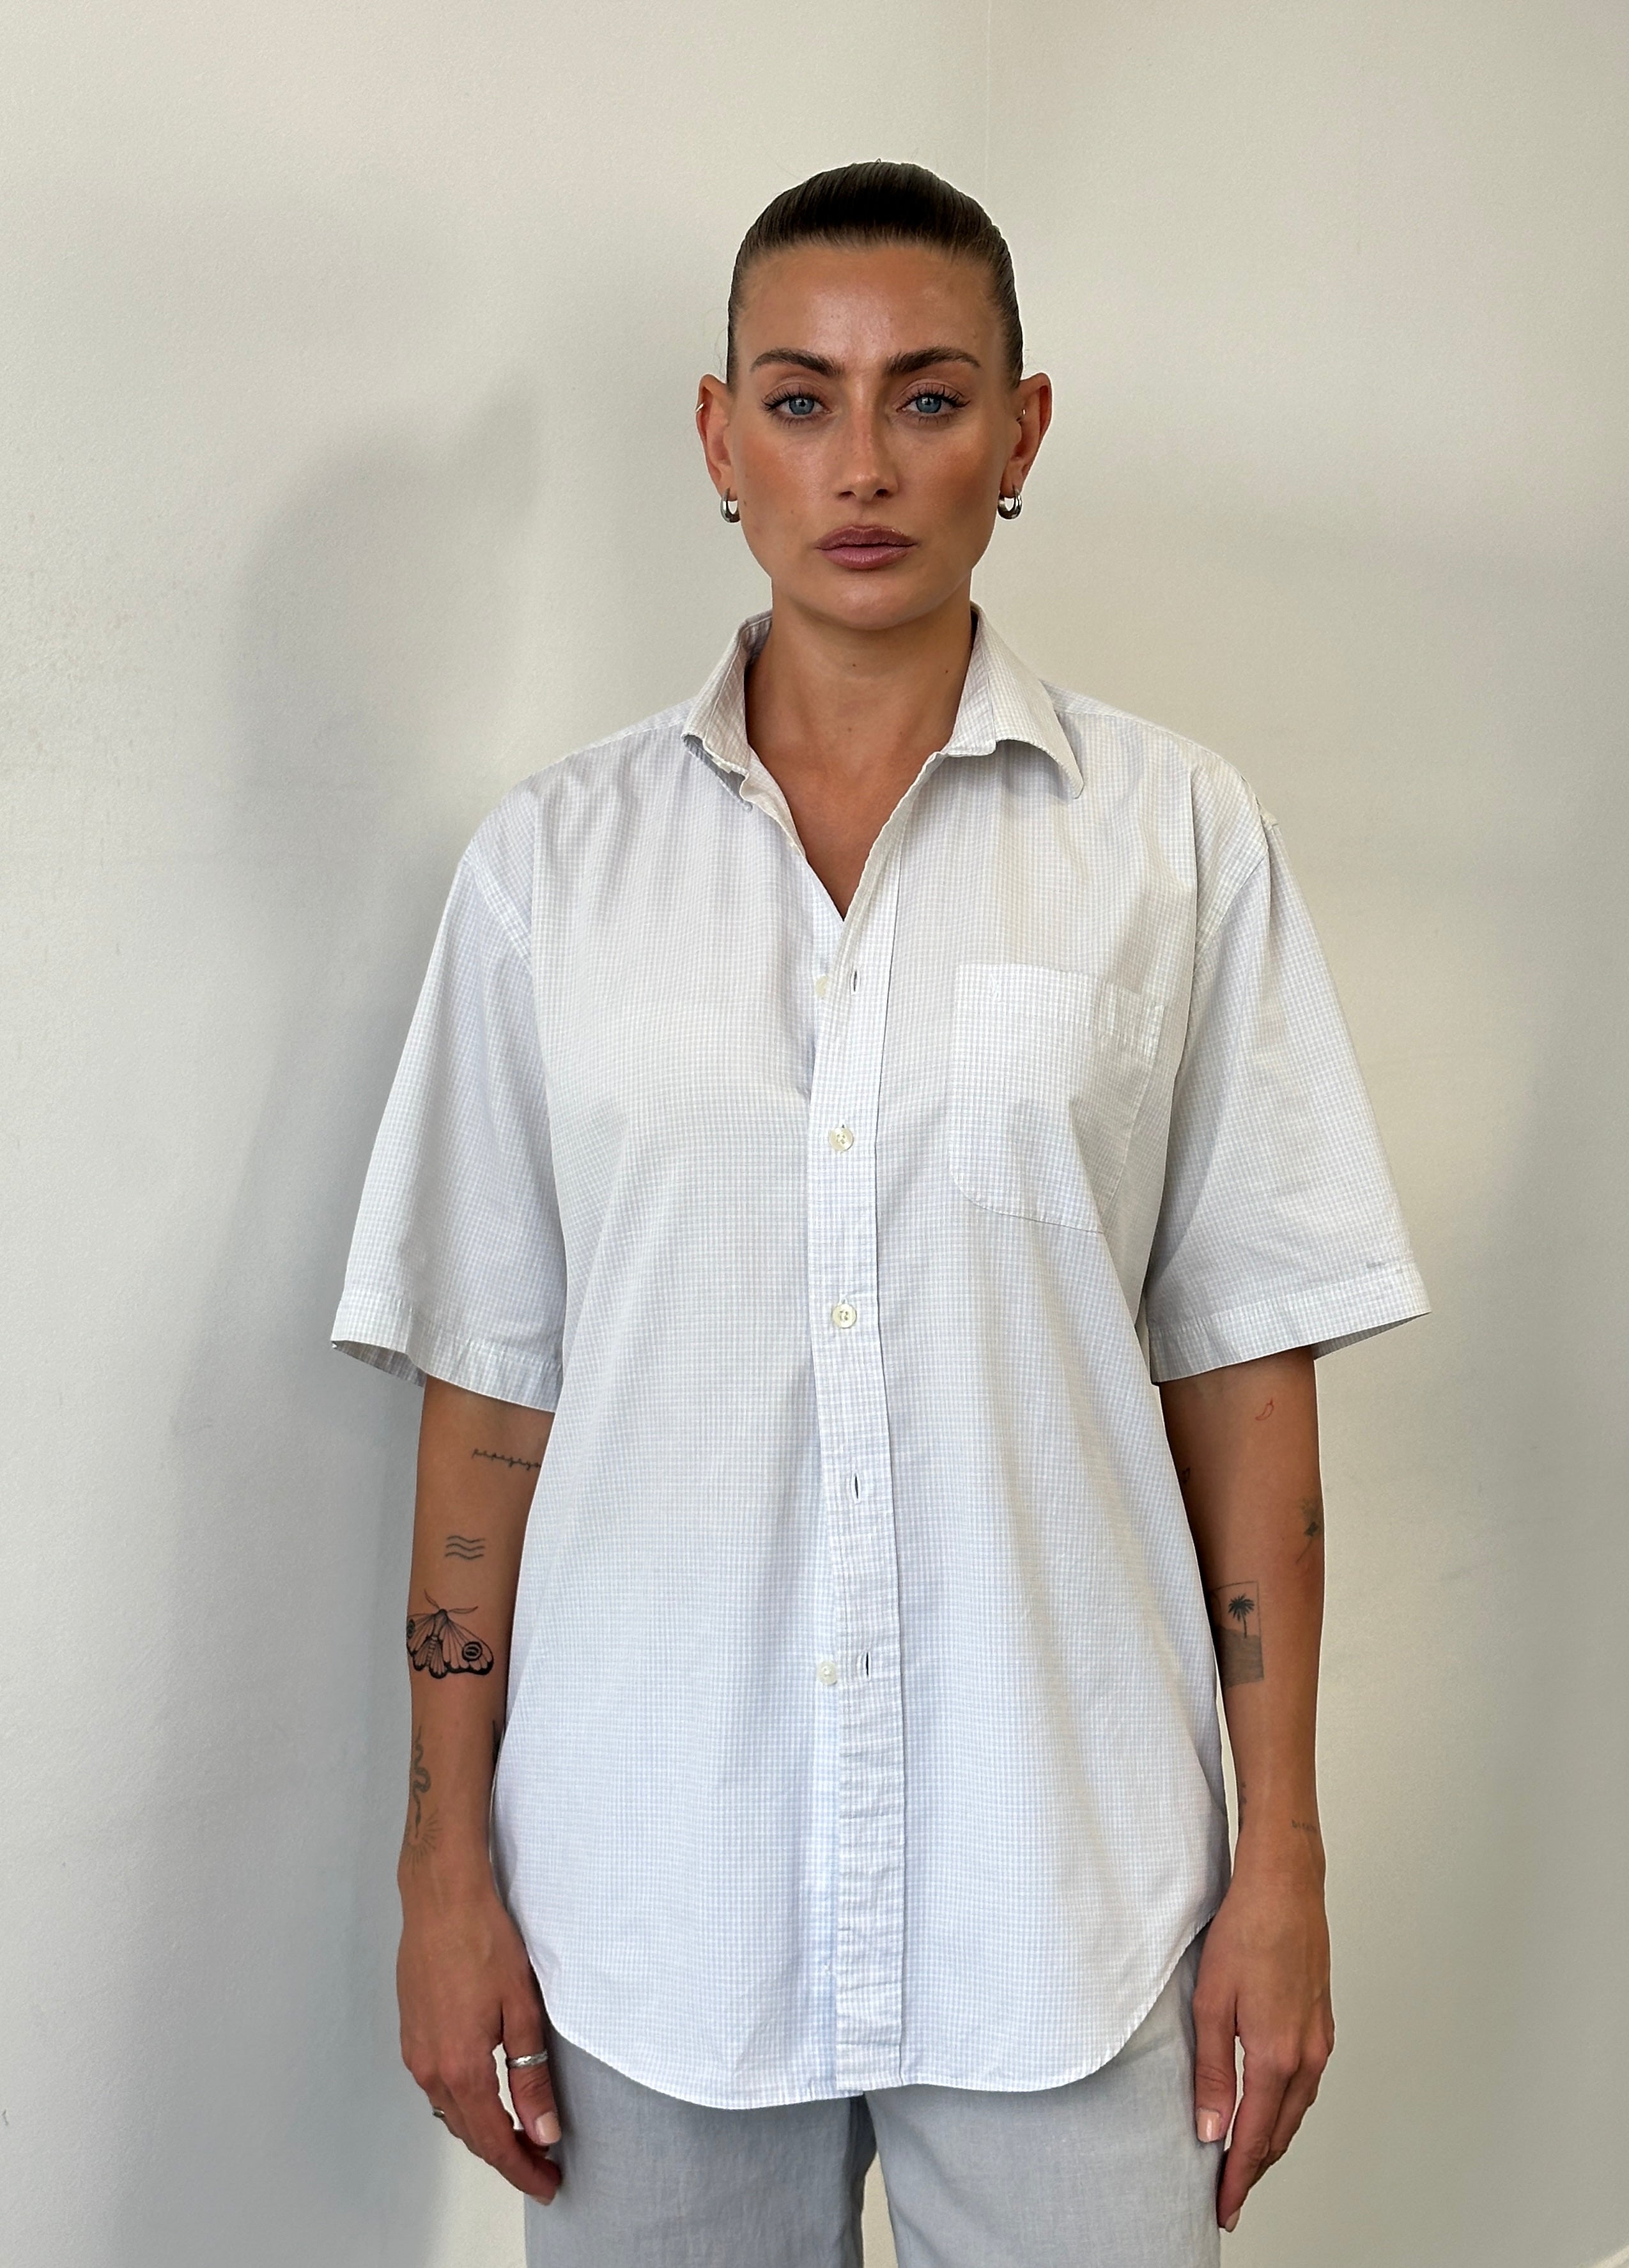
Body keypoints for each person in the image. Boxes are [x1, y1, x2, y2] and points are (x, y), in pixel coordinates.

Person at [331, 159, 1429, 2268]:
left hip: (1068, 1886)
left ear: (1021, 431)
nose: (861, 464)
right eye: (801, 397)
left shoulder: (1176, 843)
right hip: (654, 1897)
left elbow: (1244, 1380)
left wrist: (1283, 1857)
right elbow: (490, 1399)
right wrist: (439, 1866)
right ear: (717, 434)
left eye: (928, 398)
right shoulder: (550, 873)